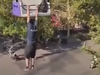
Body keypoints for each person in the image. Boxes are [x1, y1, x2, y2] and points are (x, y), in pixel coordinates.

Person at [24, 5, 38, 71]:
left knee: (27, 57)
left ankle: (27, 67)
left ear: (30, 22)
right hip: (34, 44)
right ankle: (32, 66)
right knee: (33, 56)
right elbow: (36, 17)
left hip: (29, 45)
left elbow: (29, 16)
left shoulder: (30, 25)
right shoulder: (35, 26)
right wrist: (37, 8)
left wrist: (28, 8)